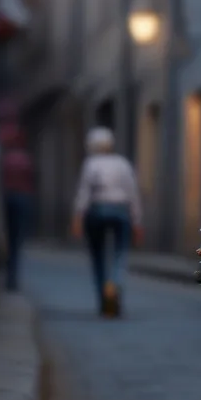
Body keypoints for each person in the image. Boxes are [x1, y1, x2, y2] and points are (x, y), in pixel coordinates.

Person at [71, 127, 144, 317]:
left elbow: (83, 194)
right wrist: (136, 221)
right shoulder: (122, 163)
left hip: (97, 210)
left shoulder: (90, 164)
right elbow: (132, 193)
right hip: (120, 210)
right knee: (120, 251)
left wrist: (78, 218)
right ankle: (115, 283)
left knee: (98, 255)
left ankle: (103, 298)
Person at [0, 122, 35, 292]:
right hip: (22, 199)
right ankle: (13, 278)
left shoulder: (5, 159)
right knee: (17, 241)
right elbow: (31, 181)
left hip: (8, 198)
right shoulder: (25, 159)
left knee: (9, 239)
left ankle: (10, 277)